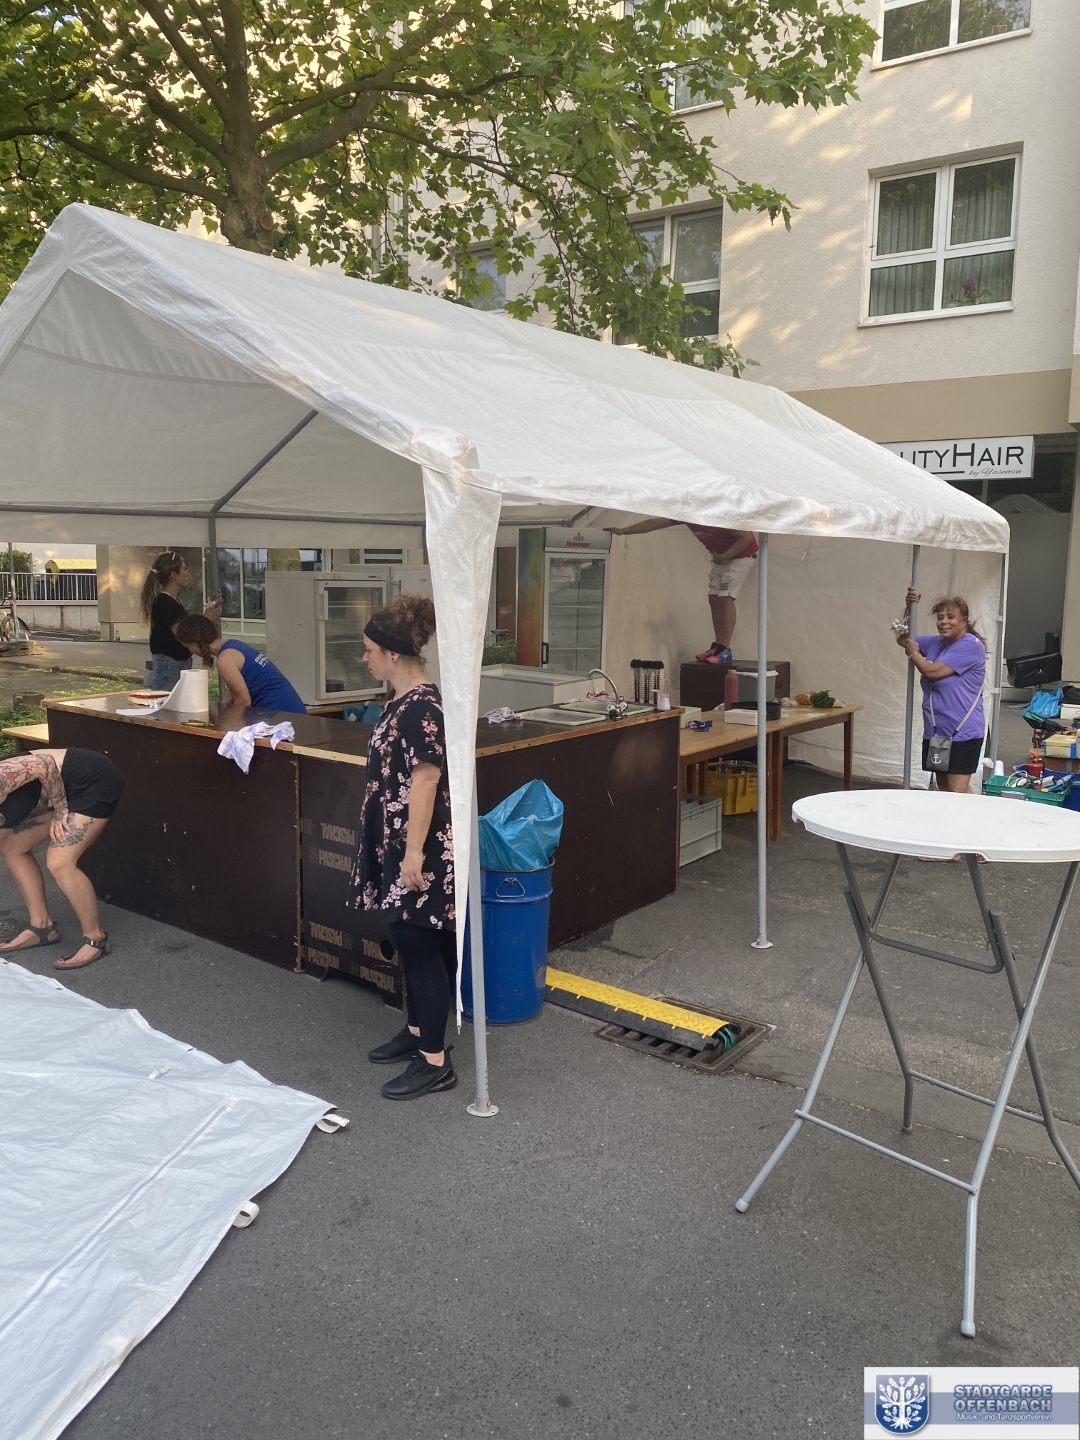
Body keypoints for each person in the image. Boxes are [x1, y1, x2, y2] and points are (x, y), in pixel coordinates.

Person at [351, 593, 456, 1101]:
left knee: (418, 944)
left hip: (419, 844)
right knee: (413, 940)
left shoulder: (421, 706)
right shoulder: (401, 701)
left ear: (392, 654)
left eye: (369, 650)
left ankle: (435, 1061)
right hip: (400, 839)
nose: (364, 657)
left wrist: (414, 853)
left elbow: (426, 779)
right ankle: (417, 1031)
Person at [0, 748, 124, 968]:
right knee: (12, 847)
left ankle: (96, 940)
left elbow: (44, 763)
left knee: (59, 862)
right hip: (55, 792)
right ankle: (42, 927)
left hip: (90, 780)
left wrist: (60, 810)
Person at [604, 519, 758, 663]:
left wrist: (725, 556)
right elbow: (656, 523)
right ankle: (718, 647)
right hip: (723, 558)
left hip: (741, 556)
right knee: (714, 598)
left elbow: (746, 538)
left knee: (725, 598)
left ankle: (725, 649)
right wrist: (624, 530)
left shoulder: (717, 515)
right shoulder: (686, 514)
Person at [897, 587, 987, 795]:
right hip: (937, 731)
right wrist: (909, 609)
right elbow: (903, 638)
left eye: (950, 617)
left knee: (956, 792)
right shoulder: (936, 643)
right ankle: (978, 813)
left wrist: (914, 655)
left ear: (964, 621)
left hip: (962, 732)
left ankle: (977, 816)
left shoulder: (970, 646)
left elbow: (932, 672)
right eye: (940, 617)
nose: (944, 621)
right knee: (945, 789)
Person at [174, 615, 307, 714]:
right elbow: (236, 692)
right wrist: (220, 708)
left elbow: (243, 701)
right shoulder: (233, 645)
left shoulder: (225, 660)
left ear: (194, 642)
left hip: (277, 711)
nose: (190, 651)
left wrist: (223, 722)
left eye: (187, 647)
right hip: (292, 707)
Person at [140, 552, 222, 692]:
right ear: (174, 575)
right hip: (169, 665)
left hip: (173, 664)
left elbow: (186, 626)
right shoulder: (164, 603)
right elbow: (184, 634)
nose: (187, 574)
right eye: (184, 569)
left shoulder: (171, 601)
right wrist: (207, 618)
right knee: (168, 703)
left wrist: (210, 606)